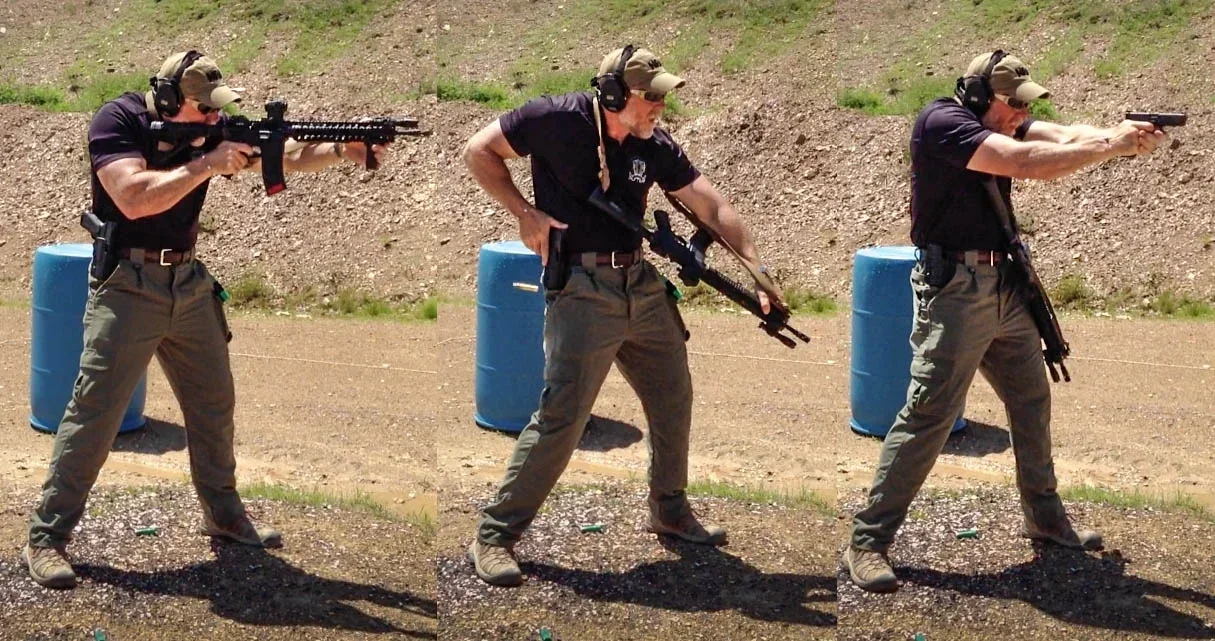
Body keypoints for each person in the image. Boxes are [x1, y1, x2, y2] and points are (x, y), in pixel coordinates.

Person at [23, 50, 389, 589]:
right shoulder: (117, 121)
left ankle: (222, 514)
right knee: (95, 413)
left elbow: (286, 152)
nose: (215, 120)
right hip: (129, 285)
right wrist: (204, 165)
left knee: (214, 403)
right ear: (169, 99)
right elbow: (132, 198)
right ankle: (47, 536)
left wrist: (341, 148)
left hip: (190, 283)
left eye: (219, 111)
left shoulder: (213, 129)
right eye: (204, 111)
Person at [844, 50, 1166, 593]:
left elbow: (1062, 136)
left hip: (1004, 288)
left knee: (1031, 399)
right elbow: (1022, 162)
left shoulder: (1002, 119)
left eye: (1025, 104)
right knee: (929, 415)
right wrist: (1113, 147)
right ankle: (868, 540)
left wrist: (1120, 131)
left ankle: (1044, 518)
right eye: (1012, 103)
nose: (1022, 112)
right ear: (976, 95)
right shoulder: (943, 123)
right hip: (955, 293)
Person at [461, 45, 779, 586]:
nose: (659, 107)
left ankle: (670, 510)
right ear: (612, 95)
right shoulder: (554, 118)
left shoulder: (654, 143)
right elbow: (478, 151)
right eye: (649, 97)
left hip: (640, 283)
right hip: (582, 289)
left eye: (662, 98)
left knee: (673, 396)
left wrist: (759, 273)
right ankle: (495, 535)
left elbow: (712, 205)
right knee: (562, 417)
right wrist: (525, 213)